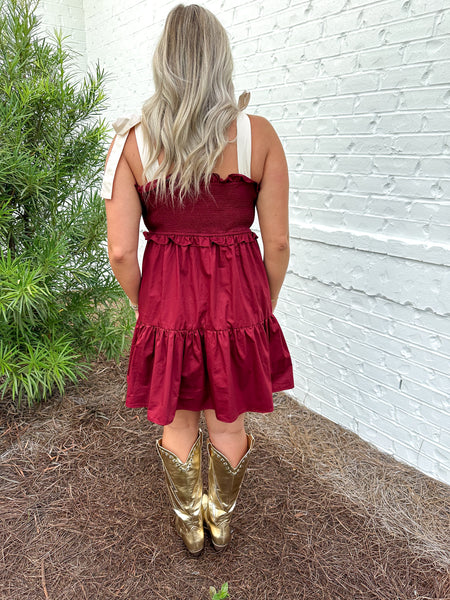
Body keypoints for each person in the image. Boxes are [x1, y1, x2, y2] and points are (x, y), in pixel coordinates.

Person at [102, 3, 294, 556]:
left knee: (180, 419)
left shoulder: (131, 143)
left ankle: (191, 525)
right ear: (220, 60)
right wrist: (262, 304)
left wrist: (150, 309)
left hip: (168, 302)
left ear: (164, 63)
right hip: (240, 301)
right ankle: (221, 522)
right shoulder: (259, 137)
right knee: (227, 422)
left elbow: (120, 251)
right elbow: (277, 244)